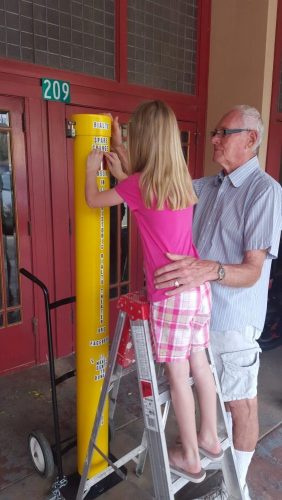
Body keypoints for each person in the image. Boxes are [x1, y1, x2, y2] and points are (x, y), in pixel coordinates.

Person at [85, 100, 223, 483]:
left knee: (177, 376)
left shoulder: (136, 185)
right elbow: (141, 187)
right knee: (200, 366)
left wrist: (90, 171)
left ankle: (191, 457)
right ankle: (210, 438)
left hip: (171, 295)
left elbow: (94, 201)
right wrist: (120, 155)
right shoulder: (179, 180)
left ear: (143, 139)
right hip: (197, 290)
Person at [152, 105, 282, 499]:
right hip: (194, 315)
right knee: (199, 393)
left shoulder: (265, 192)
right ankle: (204, 450)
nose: (214, 140)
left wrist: (207, 270)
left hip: (231, 320)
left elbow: (253, 271)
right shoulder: (205, 186)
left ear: (251, 139)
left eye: (224, 133)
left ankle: (234, 484)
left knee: (240, 404)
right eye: (215, 132)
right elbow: (159, 192)